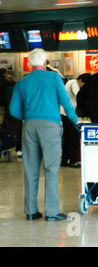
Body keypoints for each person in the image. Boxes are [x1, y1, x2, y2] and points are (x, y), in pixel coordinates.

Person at [9, 48, 79, 221]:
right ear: (45, 61)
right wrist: (74, 119)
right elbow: (65, 101)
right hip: (50, 126)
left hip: (29, 127)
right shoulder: (54, 78)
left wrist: (28, 117)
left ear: (29, 63)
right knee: (51, 168)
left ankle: (31, 211)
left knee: (30, 169)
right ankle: (52, 211)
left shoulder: (22, 82)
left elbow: (13, 110)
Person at [61, 73, 91, 168]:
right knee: (73, 138)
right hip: (70, 115)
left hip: (64, 113)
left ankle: (64, 161)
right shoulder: (74, 83)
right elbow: (79, 96)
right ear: (81, 80)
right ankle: (73, 161)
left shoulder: (70, 82)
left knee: (67, 138)